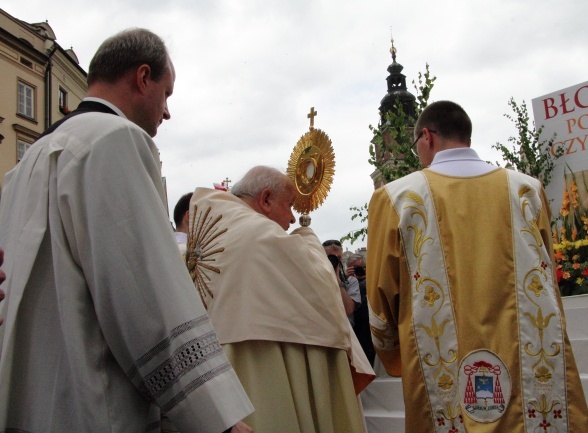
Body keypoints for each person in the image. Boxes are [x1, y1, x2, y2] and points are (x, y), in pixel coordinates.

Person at [0, 28, 253, 432]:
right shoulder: (115, 141)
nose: (166, 112)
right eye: (166, 94)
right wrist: (217, 417)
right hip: (91, 403)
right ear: (142, 78)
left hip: (27, 399)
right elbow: (144, 295)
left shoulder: (25, 165)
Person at [366, 100, 588, 433]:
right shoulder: (527, 189)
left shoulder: (396, 197)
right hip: (529, 350)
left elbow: (380, 298)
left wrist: (394, 354)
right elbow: (547, 271)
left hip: (438, 356)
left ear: (426, 137)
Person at [186, 166, 375, 433]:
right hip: (264, 365)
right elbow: (320, 281)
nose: (291, 218)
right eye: (289, 206)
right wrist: (308, 237)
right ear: (265, 200)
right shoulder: (258, 234)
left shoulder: (211, 227)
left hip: (213, 373)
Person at [346, 254, 375, 365]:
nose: (358, 270)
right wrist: (347, 278)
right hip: (356, 325)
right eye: (355, 268)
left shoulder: (370, 281)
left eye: (361, 267)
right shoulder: (346, 282)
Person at [323, 240, 361, 325]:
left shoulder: (350, 281)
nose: (336, 261)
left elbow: (349, 310)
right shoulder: (318, 279)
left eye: (339, 258)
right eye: (331, 258)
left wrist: (338, 281)